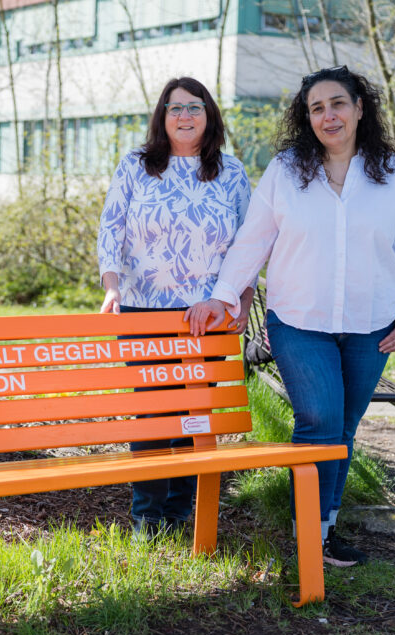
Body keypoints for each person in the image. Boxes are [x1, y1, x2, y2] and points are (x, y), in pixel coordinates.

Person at [185, 65, 395, 566]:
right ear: (307, 117)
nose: (328, 116)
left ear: (360, 108)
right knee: (318, 419)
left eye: (337, 104)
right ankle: (308, 537)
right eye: (317, 108)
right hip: (298, 321)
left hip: (372, 323)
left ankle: (324, 530)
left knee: (344, 425)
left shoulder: (391, 172)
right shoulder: (286, 170)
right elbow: (253, 240)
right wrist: (223, 295)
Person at [97, 76, 252, 537]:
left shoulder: (232, 172)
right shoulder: (136, 166)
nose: (184, 116)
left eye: (194, 107)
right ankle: (146, 514)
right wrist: (112, 287)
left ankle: (181, 513)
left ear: (210, 116)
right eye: (175, 108)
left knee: (193, 414)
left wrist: (241, 299)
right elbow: (111, 229)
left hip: (208, 311)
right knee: (152, 411)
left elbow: (251, 241)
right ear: (162, 118)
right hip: (144, 307)